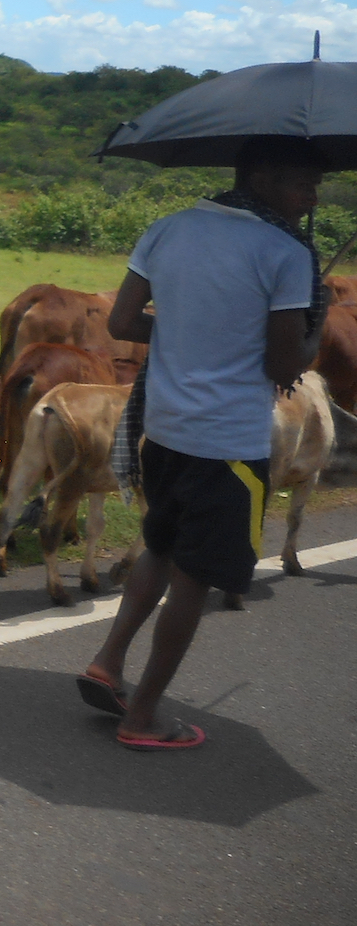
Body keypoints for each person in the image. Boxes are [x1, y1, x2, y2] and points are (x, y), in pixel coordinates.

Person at [78, 135, 327, 749]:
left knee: (160, 548)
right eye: (304, 183)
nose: (313, 197)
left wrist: (190, 330)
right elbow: (281, 364)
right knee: (194, 577)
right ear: (261, 177)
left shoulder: (169, 228)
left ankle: (107, 662)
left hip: (164, 429)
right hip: (228, 445)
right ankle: (143, 716)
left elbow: (123, 322)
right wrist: (314, 334)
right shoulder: (286, 253)